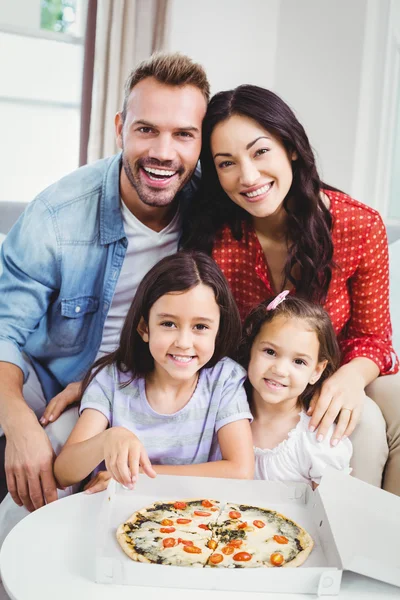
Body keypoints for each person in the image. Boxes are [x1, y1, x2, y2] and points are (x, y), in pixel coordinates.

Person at [0, 52, 210, 512]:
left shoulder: (213, 210)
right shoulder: (57, 215)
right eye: (146, 129)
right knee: (32, 483)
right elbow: (5, 329)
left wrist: (107, 374)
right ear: (120, 127)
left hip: (144, 376)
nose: (163, 151)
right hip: (54, 378)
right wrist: (18, 423)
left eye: (183, 134)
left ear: (201, 143)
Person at [182, 84, 400, 495]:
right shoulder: (214, 234)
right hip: (253, 371)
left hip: (328, 367)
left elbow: (374, 338)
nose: (248, 176)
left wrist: (349, 379)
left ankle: (380, 543)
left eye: (260, 151)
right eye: (227, 163)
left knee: (385, 408)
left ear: (291, 148)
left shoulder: (359, 225)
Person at [54, 251, 254, 491]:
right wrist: (108, 439)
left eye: (200, 327)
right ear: (144, 328)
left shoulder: (225, 380)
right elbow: (64, 473)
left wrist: (138, 475)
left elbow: (241, 471)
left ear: (218, 332)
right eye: (168, 324)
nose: (183, 342)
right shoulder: (112, 380)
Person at [238, 292, 352, 488]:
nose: (280, 370)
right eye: (270, 352)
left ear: (316, 371)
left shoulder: (317, 441)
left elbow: (331, 512)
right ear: (251, 348)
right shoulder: (223, 413)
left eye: (299, 361)